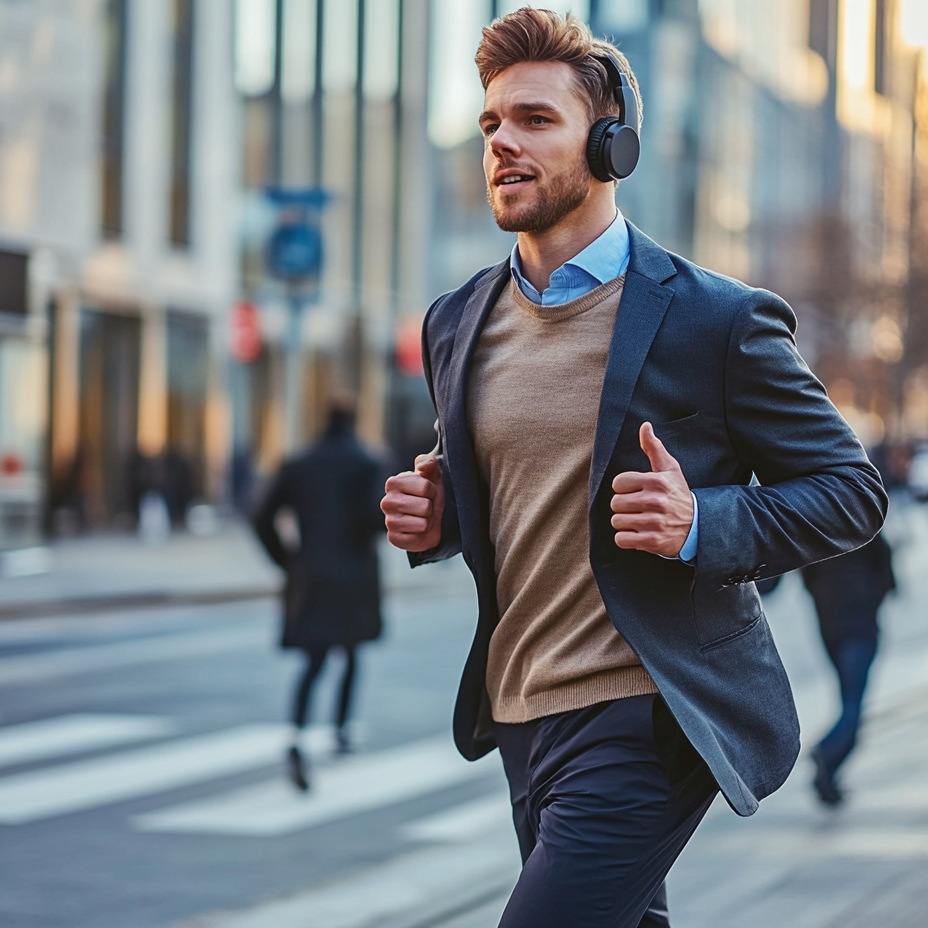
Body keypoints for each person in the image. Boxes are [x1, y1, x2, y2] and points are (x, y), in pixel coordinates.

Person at [380, 10, 887, 928]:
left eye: (536, 120)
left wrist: (703, 524)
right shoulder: (456, 320)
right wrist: (440, 519)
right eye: (491, 122)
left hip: (647, 712)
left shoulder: (715, 321)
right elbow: (512, 490)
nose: (502, 142)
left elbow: (851, 493)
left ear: (611, 146)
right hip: (522, 714)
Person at [254, 403, 385, 791]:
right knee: (351, 654)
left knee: (313, 661)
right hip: (353, 575)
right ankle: (341, 731)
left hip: (309, 576)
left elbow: (260, 517)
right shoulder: (366, 462)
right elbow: (374, 519)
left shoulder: (299, 463)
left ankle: (296, 734)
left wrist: (287, 560)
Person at [802, 534, 895, 805]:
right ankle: (827, 751)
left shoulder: (812, 534)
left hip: (829, 626)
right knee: (853, 705)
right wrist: (873, 599)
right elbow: (886, 572)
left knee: (848, 699)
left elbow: (806, 579)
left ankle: (829, 779)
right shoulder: (862, 524)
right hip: (860, 626)